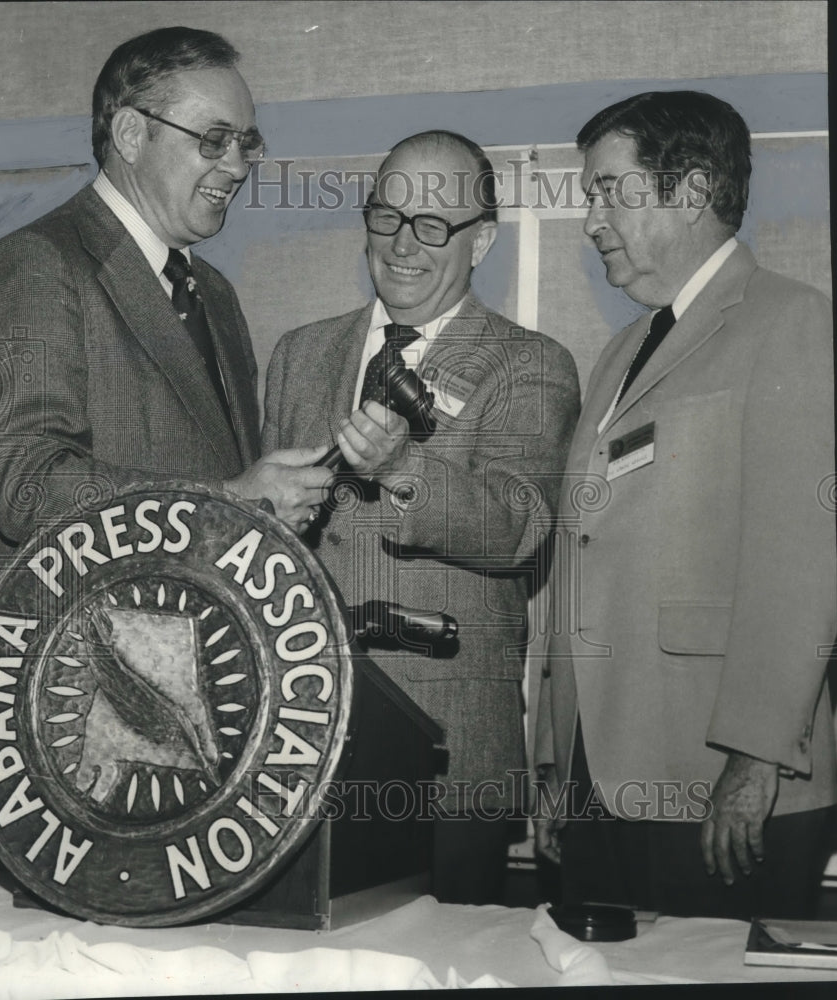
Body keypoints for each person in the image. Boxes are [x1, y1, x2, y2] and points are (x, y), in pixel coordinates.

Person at [534, 91, 837, 919]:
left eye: (609, 190)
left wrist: (755, 758)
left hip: (719, 787)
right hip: (600, 781)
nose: (591, 219)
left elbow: (801, 566)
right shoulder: (620, 352)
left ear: (694, 189)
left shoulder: (792, 321)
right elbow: (582, 559)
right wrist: (558, 763)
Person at [262, 129, 581, 904]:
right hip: (301, 747)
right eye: (388, 216)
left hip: (451, 762)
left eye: (434, 225)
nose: (404, 245)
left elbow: (520, 526)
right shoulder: (299, 355)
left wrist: (403, 469)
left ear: (482, 241)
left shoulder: (530, 365)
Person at [0, 25, 332, 579]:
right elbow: (27, 484)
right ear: (131, 135)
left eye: (246, 143)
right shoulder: (35, 263)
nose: (237, 167)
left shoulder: (215, 294)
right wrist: (229, 501)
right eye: (214, 139)